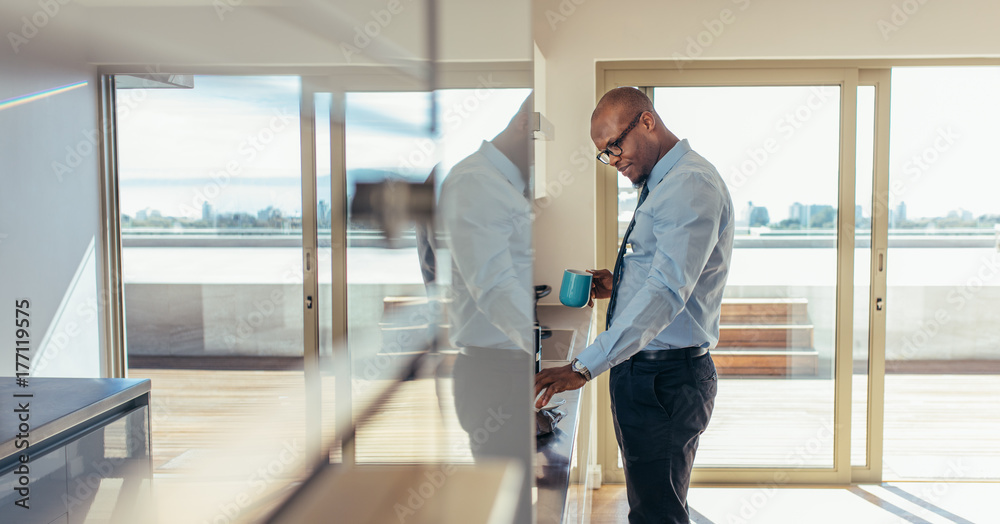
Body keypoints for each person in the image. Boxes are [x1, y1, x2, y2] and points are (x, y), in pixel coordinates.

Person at [534, 87, 734, 523]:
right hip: (649, 371)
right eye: (604, 154)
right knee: (655, 505)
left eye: (614, 146)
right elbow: (663, 269)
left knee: (656, 514)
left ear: (647, 122)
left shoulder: (689, 184)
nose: (613, 160)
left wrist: (582, 366)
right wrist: (619, 281)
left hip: (663, 379)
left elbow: (666, 291)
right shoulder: (667, 182)